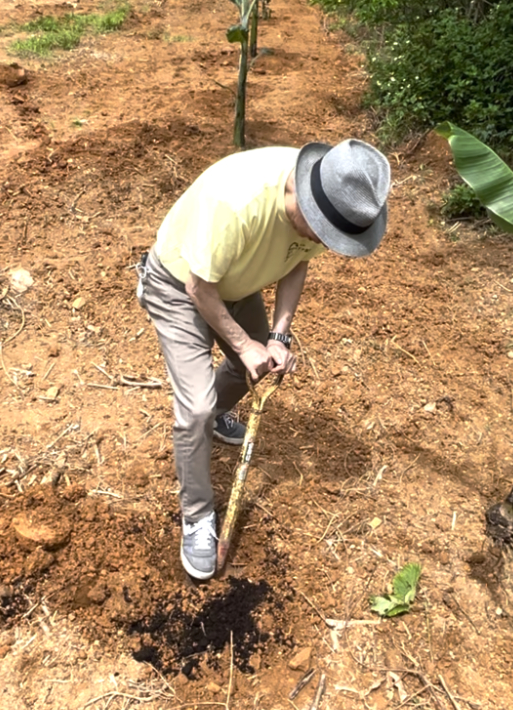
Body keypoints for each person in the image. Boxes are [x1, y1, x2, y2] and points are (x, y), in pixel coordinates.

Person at [137, 139, 392, 580]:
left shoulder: (330, 197)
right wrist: (244, 343)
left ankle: (216, 419)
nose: (321, 242)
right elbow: (199, 288)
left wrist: (277, 337)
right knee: (195, 408)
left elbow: (297, 262)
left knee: (253, 370)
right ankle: (197, 515)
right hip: (181, 284)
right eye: (320, 232)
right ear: (300, 195)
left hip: (235, 282)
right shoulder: (236, 203)